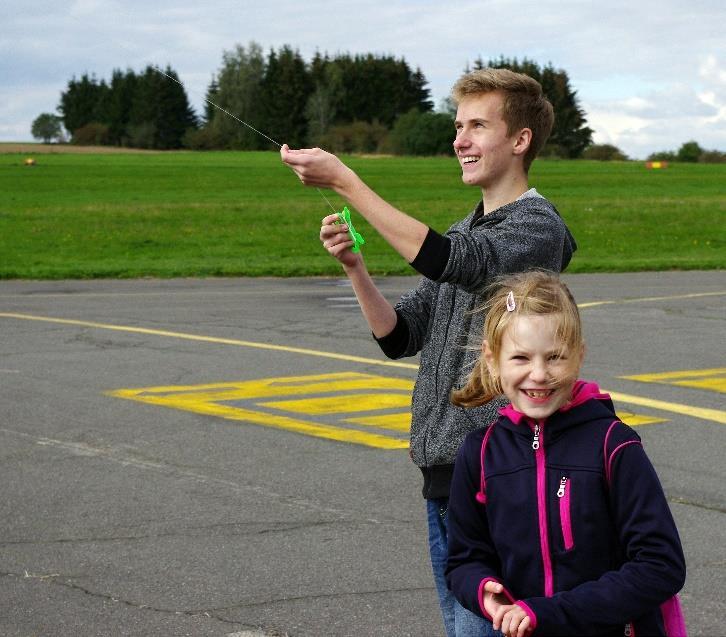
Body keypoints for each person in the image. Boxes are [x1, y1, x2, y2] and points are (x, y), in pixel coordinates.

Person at [281, 68, 577, 637]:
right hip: (445, 476)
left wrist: (346, 181)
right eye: (457, 125)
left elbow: (450, 260)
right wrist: (355, 268)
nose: (459, 140)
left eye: (476, 126)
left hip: (501, 477)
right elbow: (399, 335)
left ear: (520, 141)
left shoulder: (536, 228)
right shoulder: (466, 228)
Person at [446, 271, 687, 637]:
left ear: (579, 356)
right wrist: (483, 590)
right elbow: (464, 559)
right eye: (521, 358)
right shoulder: (480, 453)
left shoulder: (613, 444)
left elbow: (661, 565)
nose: (539, 374)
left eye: (555, 357)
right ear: (492, 360)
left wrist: (551, 612)